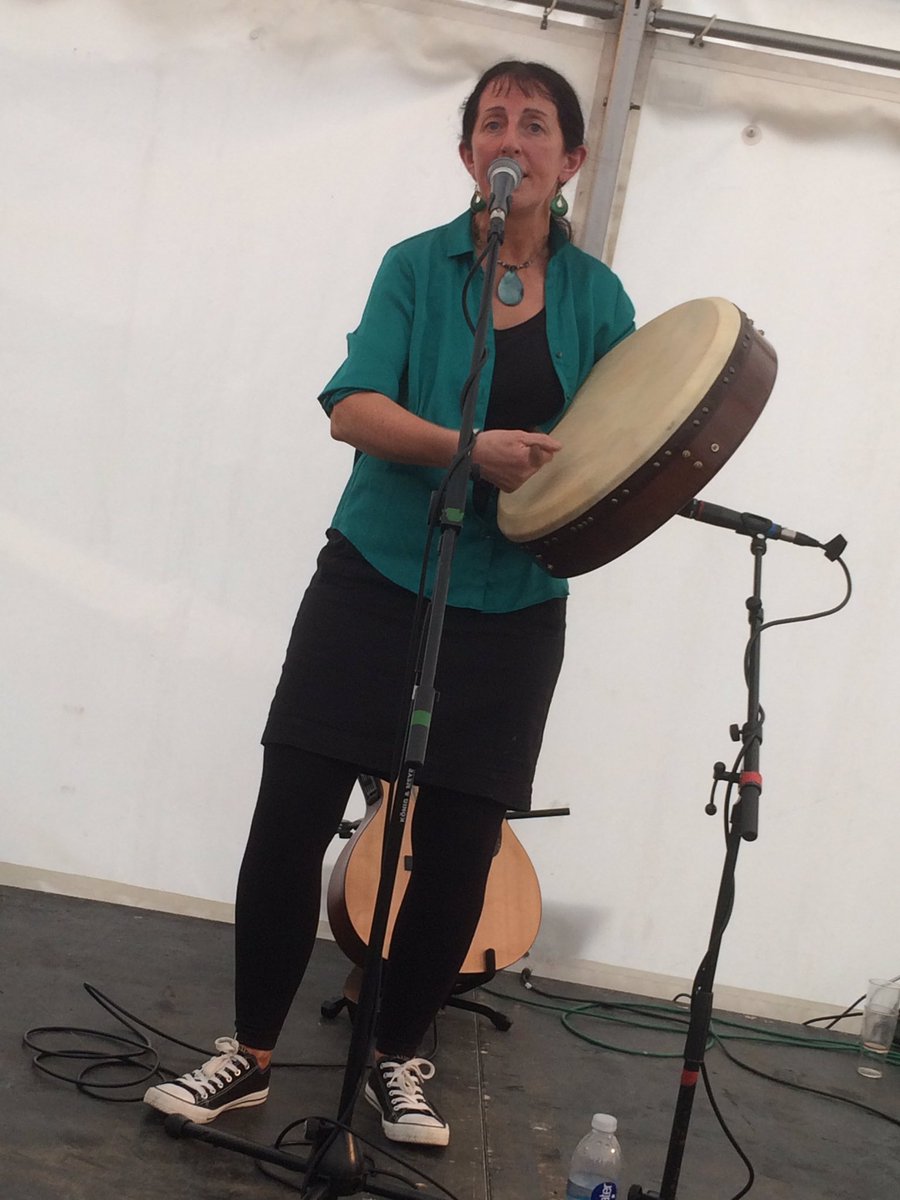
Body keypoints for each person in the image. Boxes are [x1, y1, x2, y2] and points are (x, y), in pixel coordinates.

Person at [143, 59, 635, 1148]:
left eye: (537, 122)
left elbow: (615, 447)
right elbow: (354, 407)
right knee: (294, 814)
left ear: (573, 161)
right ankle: (250, 1053)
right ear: (469, 155)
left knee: (462, 841)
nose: (513, 135)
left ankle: (400, 1054)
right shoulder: (415, 268)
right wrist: (468, 450)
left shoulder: (602, 301)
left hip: (512, 605)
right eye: (492, 121)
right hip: (378, 575)